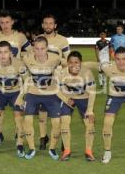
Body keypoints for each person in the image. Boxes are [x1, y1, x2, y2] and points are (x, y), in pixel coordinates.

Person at [0, 10, 31, 147]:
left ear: (12, 22)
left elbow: (30, 51)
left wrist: (22, 60)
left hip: (16, 78)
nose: (5, 25)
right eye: (2, 22)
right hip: (0, 79)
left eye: (7, 22)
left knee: (19, 112)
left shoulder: (20, 37)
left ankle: (19, 136)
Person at [21, 36, 61, 160]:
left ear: (47, 49)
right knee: (27, 120)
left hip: (51, 94)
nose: (39, 52)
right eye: (37, 49)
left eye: (42, 49)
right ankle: (32, 148)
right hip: (33, 94)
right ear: (33, 49)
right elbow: (25, 74)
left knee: (56, 122)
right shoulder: (27, 59)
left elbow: (65, 69)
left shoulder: (55, 59)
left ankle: (52, 148)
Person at [0, 41, 26, 157]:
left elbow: (27, 81)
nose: (3, 55)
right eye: (0, 52)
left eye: (5, 52)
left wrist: (21, 97)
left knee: (19, 116)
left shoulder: (19, 64)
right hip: (0, 91)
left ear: (11, 53)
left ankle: (20, 145)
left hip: (16, 92)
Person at [37, 13, 70, 150]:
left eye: (51, 23)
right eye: (46, 23)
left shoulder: (62, 40)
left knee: (61, 110)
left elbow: (68, 61)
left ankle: (63, 137)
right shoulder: (38, 40)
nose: (48, 26)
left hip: (58, 79)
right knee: (42, 110)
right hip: (42, 79)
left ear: (55, 25)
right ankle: (43, 137)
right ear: (42, 25)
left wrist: (56, 62)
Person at [56, 51, 96, 161]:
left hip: (84, 99)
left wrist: (90, 110)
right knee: (64, 122)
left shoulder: (87, 73)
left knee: (90, 123)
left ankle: (88, 151)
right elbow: (57, 90)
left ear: (81, 63)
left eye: (76, 62)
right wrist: (66, 99)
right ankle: (67, 151)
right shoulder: (61, 73)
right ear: (67, 63)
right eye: (71, 62)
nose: (73, 65)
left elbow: (92, 92)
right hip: (68, 99)